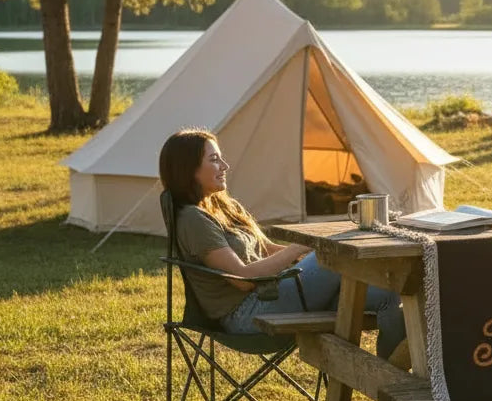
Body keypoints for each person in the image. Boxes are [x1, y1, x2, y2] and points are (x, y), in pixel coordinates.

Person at [158, 128, 405, 361]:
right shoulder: (192, 219)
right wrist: (299, 249)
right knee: (333, 254)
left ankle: (392, 381)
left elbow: (265, 249)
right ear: (188, 169)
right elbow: (243, 280)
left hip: (274, 294)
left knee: (387, 295)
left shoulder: (222, 206)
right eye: (214, 159)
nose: (225, 166)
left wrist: (307, 251)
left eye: (221, 158)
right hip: (247, 313)